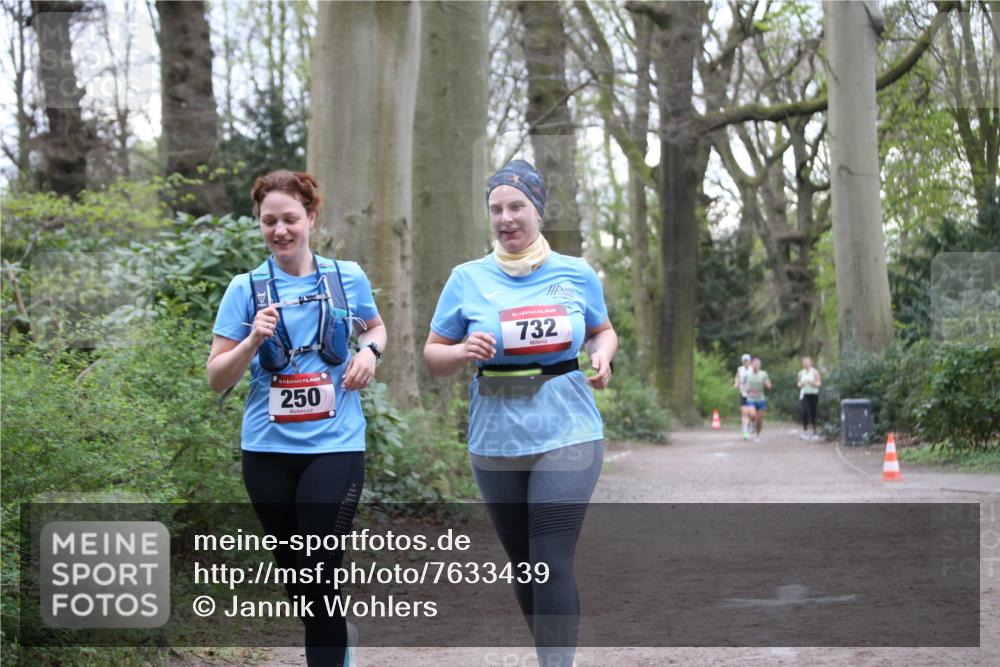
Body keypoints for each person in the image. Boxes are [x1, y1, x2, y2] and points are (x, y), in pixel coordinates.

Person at [423, 160, 618, 667]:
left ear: (538, 210)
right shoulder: (466, 279)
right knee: (526, 566)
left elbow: (603, 328)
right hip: (496, 436)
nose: (506, 218)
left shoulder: (576, 273)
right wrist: (464, 350)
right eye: (496, 209)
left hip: (568, 428)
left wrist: (603, 354)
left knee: (550, 560)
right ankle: (549, 654)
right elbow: (432, 356)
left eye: (516, 207)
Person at [206, 170, 386, 667]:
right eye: (269, 222)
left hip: (336, 445)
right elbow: (218, 378)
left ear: (310, 218)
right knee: (296, 573)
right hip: (266, 451)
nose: (280, 230)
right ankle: (336, 632)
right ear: (259, 225)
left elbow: (376, 327)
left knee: (321, 567)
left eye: (289, 219)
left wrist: (370, 353)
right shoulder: (245, 289)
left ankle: (329, 649)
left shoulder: (346, 277)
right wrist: (251, 341)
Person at [741, 356, 772, 442]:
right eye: (754, 364)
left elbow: (769, 386)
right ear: (751, 365)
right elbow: (744, 386)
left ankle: (757, 436)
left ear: (760, 365)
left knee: (760, 419)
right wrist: (746, 388)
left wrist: (766, 384)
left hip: (761, 399)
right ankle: (752, 423)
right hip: (751, 398)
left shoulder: (763, 374)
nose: (756, 365)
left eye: (758, 364)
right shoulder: (747, 375)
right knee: (753, 414)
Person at [797, 356, 822, 440]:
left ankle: (814, 431)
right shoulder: (801, 373)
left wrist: (812, 383)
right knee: (805, 411)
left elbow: (819, 384)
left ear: (811, 363)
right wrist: (802, 384)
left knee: (813, 412)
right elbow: (798, 384)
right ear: (803, 364)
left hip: (814, 394)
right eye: (804, 362)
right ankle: (805, 430)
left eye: (807, 362)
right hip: (804, 394)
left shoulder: (815, 372)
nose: (806, 364)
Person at [733, 353, 754, 440]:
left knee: (751, 414)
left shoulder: (753, 369)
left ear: (750, 361)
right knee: (744, 413)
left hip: (753, 395)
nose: (745, 362)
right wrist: (736, 383)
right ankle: (745, 432)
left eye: (747, 361)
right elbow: (737, 378)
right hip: (743, 394)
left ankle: (751, 425)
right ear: (742, 362)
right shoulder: (739, 369)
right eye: (744, 361)